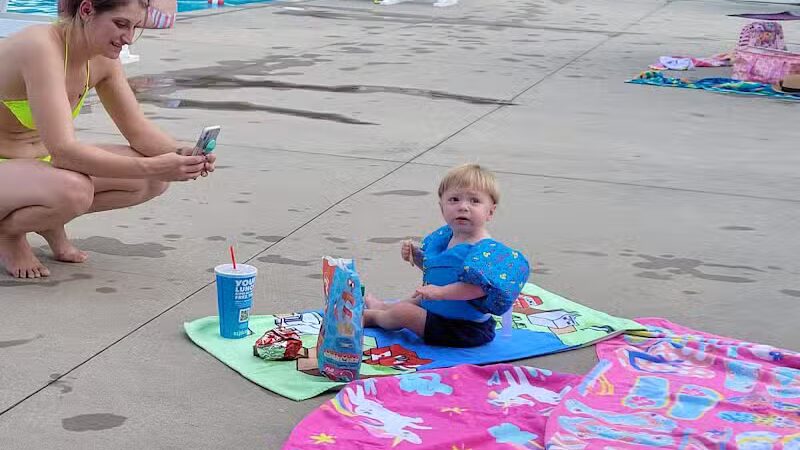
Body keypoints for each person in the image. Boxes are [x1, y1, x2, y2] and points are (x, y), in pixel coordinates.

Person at [0, 0, 215, 278]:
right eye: (120, 24)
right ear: (87, 10)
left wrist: (182, 153)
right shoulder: (40, 47)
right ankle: (8, 233)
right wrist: (156, 164)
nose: (127, 39)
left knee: (152, 181)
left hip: (36, 167)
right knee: (74, 191)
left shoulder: (100, 58)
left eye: (135, 27)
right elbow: (64, 152)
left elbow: (137, 129)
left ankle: (47, 219)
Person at [364, 163, 530, 347]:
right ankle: (384, 308)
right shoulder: (448, 238)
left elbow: (479, 288)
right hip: (440, 311)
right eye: (454, 199)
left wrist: (440, 293)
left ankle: (374, 317)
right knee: (418, 299)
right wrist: (417, 257)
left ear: (490, 211)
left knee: (406, 312)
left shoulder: (486, 249)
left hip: (463, 328)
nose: (463, 207)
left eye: (474, 201)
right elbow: (441, 270)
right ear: (442, 207)